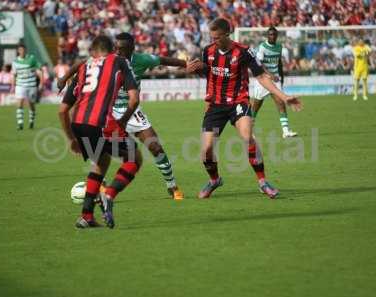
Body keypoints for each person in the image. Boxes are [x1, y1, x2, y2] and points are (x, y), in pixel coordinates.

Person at [58, 32, 187, 200]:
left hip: (131, 109)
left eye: (123, 49)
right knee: (99, 148)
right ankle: (101, 186)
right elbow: (81, 63)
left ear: (132, 48)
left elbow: (163, 60)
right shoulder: (109, 59)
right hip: (108, 110)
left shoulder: (141, 60)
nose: (119, 52)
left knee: (155, 146)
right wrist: (63, 78)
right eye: (117, 49)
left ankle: (172, 186)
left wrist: (186, 64)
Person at [187, 18, 302, 199]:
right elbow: (206, 72)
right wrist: (195, 69)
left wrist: (284, 96)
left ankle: (263, 182)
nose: (214, 41)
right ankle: (215, 180)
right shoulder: (207, 51)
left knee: (248, 137)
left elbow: (262, 77)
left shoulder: (243, 51)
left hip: (238, 102)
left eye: (217, 37)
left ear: (227, 34)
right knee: (207, 150)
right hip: (215, 104)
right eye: (212, 37)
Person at [58, 35, 141, 229]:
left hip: (78, 123)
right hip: (101, 122)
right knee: (134, 158)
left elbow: (62, 110)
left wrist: (71, 139)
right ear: (112, 48)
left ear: (92, 51)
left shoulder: (83, 67)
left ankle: (86, 216)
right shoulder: (119, 61)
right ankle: (109, 195)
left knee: (101, 160)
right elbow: (134, 99)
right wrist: (123, 120)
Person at [251, 26, 298, 138]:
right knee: (256, 106)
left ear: (277, 36)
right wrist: (269, 74)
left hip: (276, 79)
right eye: (270, 34)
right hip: (263, 79)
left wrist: (281, 78)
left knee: (281, 103)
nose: (272, 36)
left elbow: (279, 63)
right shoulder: (262, 47)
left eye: (274, 35)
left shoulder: (279, 47)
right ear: (267, 36)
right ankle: (249, 130)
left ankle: (286, 131)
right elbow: (259, 64)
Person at [11, 44, 42, 130]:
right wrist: (13, 86)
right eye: (20, 50)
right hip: (20, 85)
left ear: (26, 50)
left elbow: (39, 71)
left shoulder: (32, 58)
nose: (22, 51)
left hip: (31, 84)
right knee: (19, 103)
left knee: (31, 104)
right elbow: (13, 74)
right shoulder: (15, 62)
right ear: (18, 51)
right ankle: (20, 124)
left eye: (23, 49)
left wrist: (41, 83)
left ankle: (31, 121)